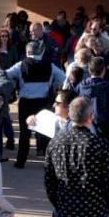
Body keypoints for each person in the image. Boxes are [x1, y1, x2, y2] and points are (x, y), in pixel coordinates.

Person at [8, 40, 66, 168]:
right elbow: (63, 77)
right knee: (45, 132)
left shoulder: (20, 65)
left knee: (25, 133)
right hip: (43, 101)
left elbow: (7, 74)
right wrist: (53, 85)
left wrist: (14, 84)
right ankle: (49, 162)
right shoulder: (49, 65)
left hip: (25, 101)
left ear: (27, 51)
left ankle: (20, 162)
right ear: (41, 51)